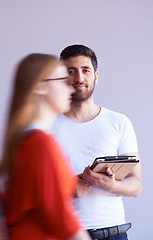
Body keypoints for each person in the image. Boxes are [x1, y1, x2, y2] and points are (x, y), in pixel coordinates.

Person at [0, 53, 91, 240]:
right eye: (63, 80)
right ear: (40, 86)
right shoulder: (41, 145)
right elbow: (65, 222)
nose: (70, 88)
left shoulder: (23, 141)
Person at [52, 45, 143, 240]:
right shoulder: (47, 126)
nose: (79, 78)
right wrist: (67, 188)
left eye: (85, 70)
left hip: (113, 233)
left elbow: (136, 185)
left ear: (96, 76)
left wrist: (107, 184)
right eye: (71, 71)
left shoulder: (119, 122)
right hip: (64, 234)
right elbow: (33, 188)